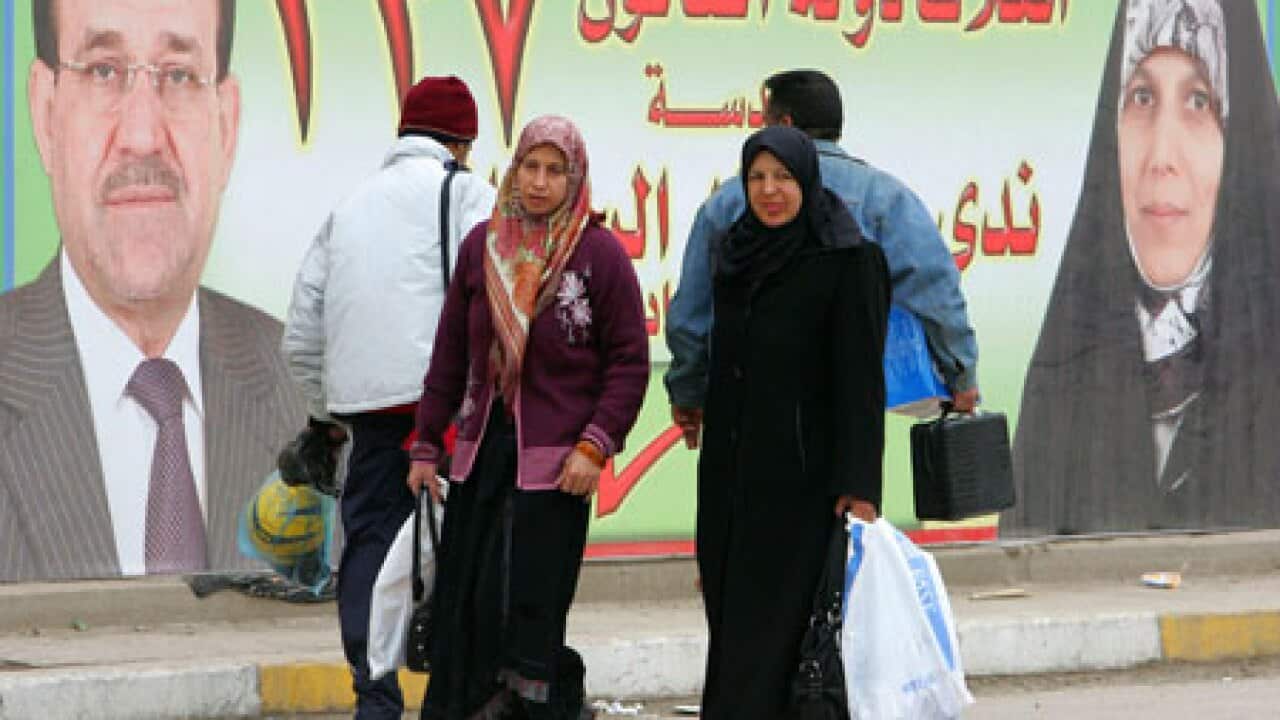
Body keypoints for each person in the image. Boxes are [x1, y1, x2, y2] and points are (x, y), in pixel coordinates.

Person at [0, 0, 305, 582]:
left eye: (179, 76)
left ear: (226, 125)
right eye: (103, 71)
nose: (142, 137)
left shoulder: (313, 403)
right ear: (46, 114)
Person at [1006, 0, 1280, 536]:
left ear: (1240, 139)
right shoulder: (1063, 387)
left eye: (1199, 101)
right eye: (1141, 98)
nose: (1160, 158)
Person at [406, 115, 649, 719]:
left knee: (531, 612)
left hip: (557, 471)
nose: (539, 182)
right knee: (469, 606)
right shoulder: (483, 246)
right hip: (481, 460)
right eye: (530, 167)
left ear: (575, 178)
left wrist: (595, 445)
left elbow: (628, 363)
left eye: (554, 170)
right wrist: (426, 445)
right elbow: (450, 355)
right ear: (513, 171)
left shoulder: (599, 256)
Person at [281, 75, 496, 719]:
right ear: (461, 143)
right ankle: (453, 693)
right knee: (461, 548)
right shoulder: (470, 195)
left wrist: (326, 414)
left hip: (370, 415)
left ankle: (374, 694)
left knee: (370, 549)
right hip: (447, 413)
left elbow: (302, 331)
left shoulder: (349, 207)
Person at [665, 68, 976, 449]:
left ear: (784, 125)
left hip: (748, 409)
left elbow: (691, 314)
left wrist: (688, 391)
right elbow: (934, 291)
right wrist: (961, 375)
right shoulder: (885, 197)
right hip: (847, 407)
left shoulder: (730, 201)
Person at [696, 126, 889, 719]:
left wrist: (859, 485)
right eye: (756, 177)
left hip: (804, 488)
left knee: (784, 643)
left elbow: (861, 382)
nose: (769, 190)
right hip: (731, 483)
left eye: (782, 177)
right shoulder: (734, 252)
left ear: (807, 179)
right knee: (732, 631)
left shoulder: (847, 260)